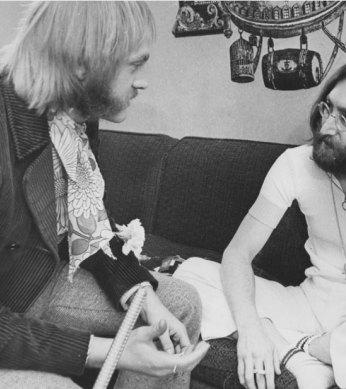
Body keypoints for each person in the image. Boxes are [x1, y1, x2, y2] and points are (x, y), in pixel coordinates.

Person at [174, 55, 346, 389]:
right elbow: (238, 254)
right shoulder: (296, 163)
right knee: (190, 276)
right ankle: (310, 358)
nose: (326, 127)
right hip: (307, 305)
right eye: (328, 109)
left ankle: (302, 349)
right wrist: (252, 328)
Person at [0, 2, 208, 388]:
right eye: (135, 64)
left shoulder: (76, 112)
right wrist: (109, 351)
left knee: (180, 304)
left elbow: (90, 217)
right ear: (83, 63)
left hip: (37, 281)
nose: (142, 81)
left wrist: (143, 292)